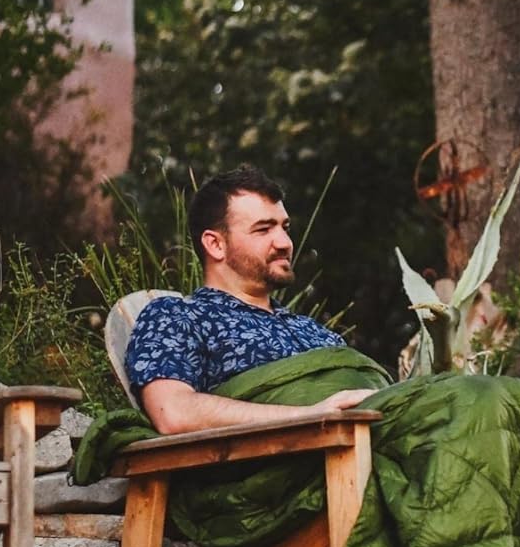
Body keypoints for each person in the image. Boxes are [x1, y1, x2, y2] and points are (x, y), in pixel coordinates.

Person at [124, 166, 374, 434]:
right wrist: (309, 415)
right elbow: (174, 411)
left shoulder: (312, 330)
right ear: (215, 244)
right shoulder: (178, 317)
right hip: (302, 452)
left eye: (285, 228)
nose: (285, 243)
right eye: (263, 230)